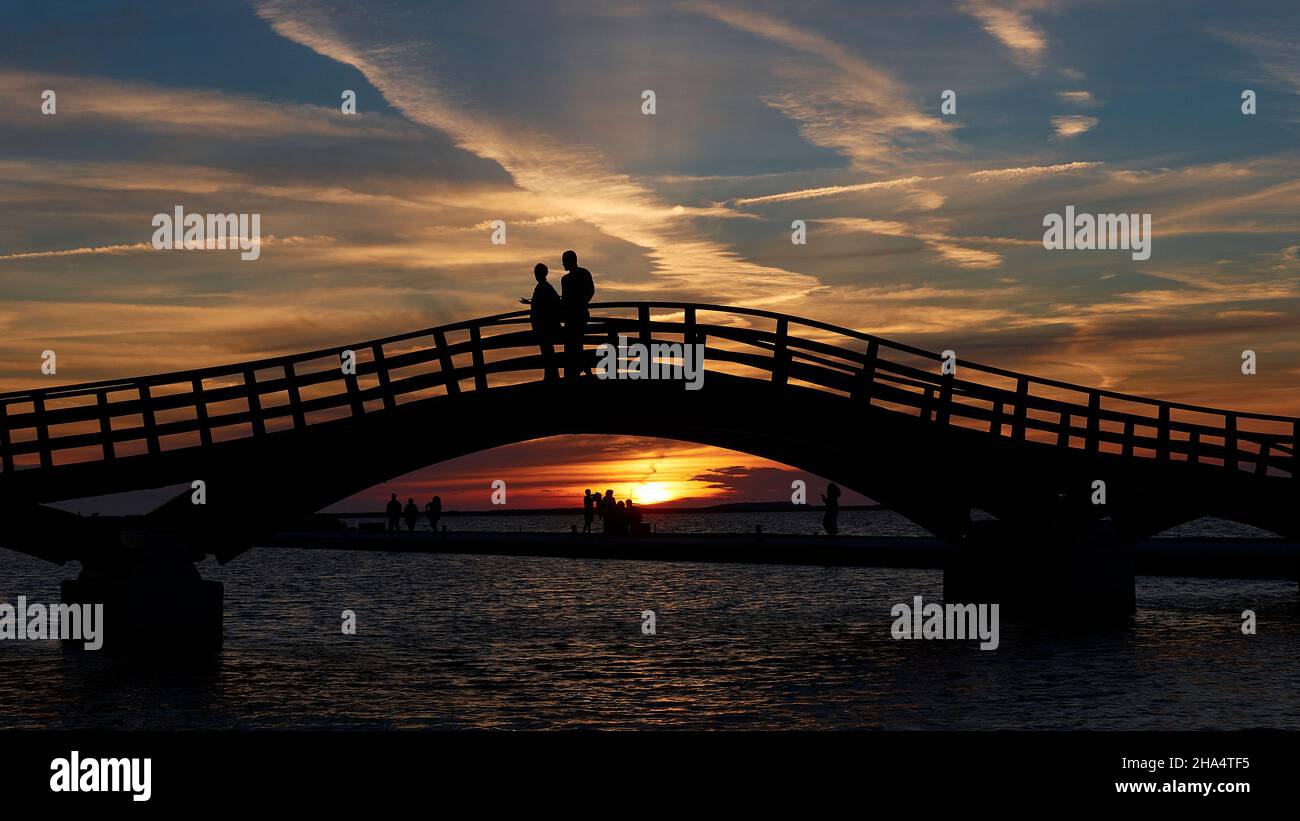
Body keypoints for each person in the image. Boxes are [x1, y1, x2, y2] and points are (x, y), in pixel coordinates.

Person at [519, 263, 562, 381]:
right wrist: (530, 302)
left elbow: (542, 304)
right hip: (546, 326)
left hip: (544, 327)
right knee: (548, 351)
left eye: (536, 273)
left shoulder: (542, 288)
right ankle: (552, 375)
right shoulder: (547, 287)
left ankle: (551, 376)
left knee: (547, 352)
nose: (536, 275)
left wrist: (531, 304)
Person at [559, 250, 594, 380]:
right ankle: (582, 370)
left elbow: (565, 301)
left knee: (573, 346)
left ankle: (576, 372)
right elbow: (590, 292)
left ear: (570, 261)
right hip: (579, 315)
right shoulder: (584, 273)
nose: (562, 263)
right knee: (576, 344)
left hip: (574, 316)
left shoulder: (566, 279)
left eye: (564, 260)